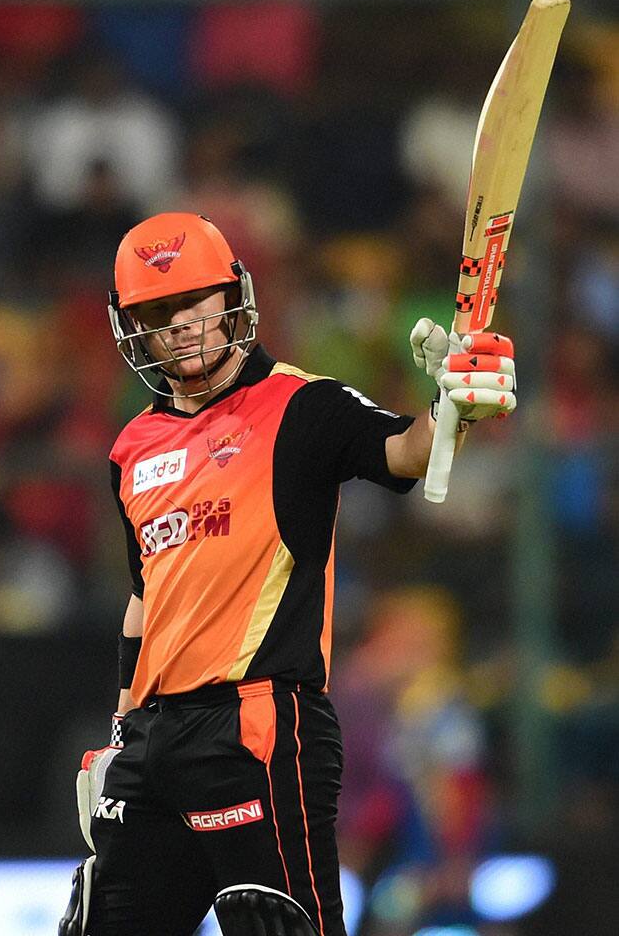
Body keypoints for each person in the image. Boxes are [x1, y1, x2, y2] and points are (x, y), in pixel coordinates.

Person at [60, 211, 516, 936]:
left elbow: (402, 450)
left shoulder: (302, 405)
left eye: (191, 302)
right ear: (129, 328)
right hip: (150, 744)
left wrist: (450, 405)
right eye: (154, 312)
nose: (177, 325)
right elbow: (145, 598)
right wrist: (120, 731)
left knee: (280, 926)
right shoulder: (132, 448)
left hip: (260, 726)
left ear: (233, 296)